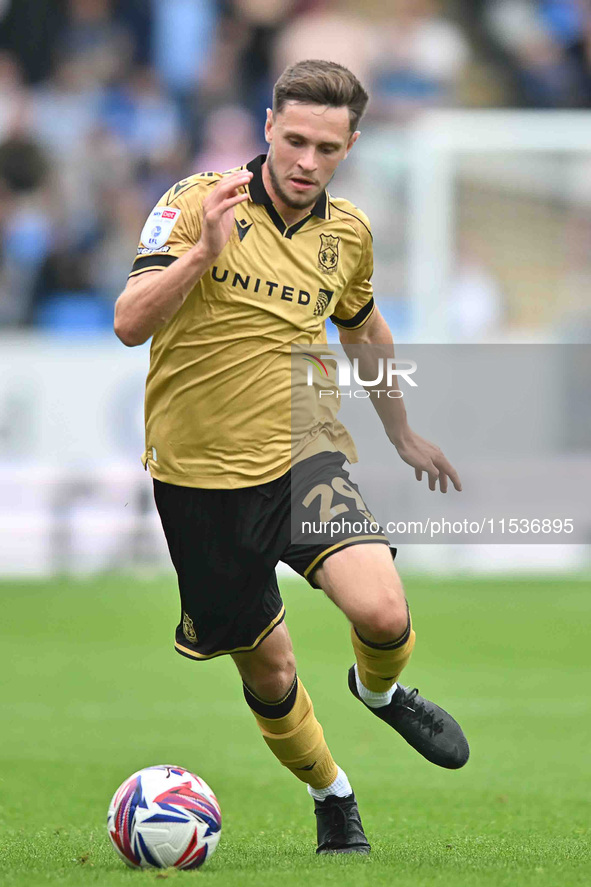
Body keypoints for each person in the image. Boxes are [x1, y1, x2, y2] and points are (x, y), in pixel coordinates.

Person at [114, 59, 469, 856]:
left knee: (381, 612)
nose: (308, 161)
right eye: (296, 140)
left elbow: (366, 333)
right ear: (268, 126)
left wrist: (402, 433)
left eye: (328, 148)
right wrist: (201, 253)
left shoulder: (347, 234)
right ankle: (331, 795)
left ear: (349, 147)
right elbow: (129, 322)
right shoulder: (191, 203)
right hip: (200, 483)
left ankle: (379, 693)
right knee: (269, 670)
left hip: (306, 458)